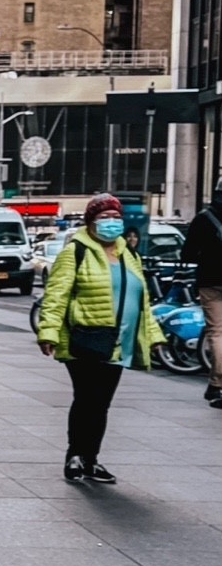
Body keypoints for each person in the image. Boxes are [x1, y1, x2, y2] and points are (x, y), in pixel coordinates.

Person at [36, 191, 162, 484]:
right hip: (86, 336)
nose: (111, 222)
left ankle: (91, 459)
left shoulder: (129, 253)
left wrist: (153, 336)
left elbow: (141, 300)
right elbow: (56, 295)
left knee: (101, 402)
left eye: (116, 217)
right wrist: (49, 332)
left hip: (120, 340)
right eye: (104, 217)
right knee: (87, 398)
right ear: (91, 222)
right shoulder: (76, 251)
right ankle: (75, 456)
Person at [183, 181, 222, 409]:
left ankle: (218, 384)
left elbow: (188, 252)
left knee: (217, 332)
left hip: (211, 281)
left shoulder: (204, 218)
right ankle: (215, 384)